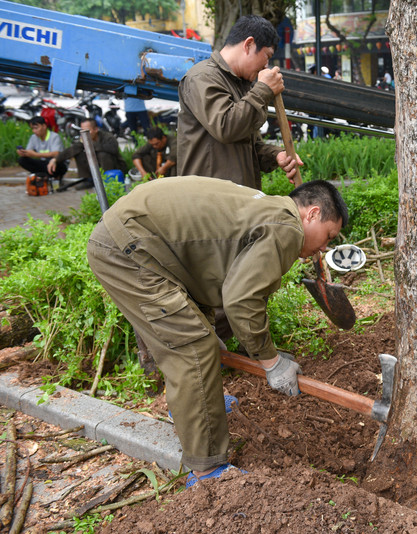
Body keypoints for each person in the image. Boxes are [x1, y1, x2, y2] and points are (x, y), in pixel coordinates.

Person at [86, 177, 348, 487]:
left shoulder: (270, 210)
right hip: (131, 250)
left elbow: (211, 266)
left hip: (143, 243)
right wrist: (271, 361)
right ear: (313, 214)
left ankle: (193, 408)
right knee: (192, 348)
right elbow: (242, 299)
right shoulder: (287, 227)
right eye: (328, 235)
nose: (324, 247)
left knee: (196, 338)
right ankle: (208, 471)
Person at [178, 15, 301, 189]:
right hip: (208, 203)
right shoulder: (202, 77)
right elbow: (226, 127)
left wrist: (276, 155)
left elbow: (248, 144)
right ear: (249, 44)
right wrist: (263, 89)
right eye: (267, 56)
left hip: (237, 200)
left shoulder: (243, 85)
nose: (266, 65)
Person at [47, 118, 127, 191]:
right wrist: (55, 159)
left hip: (115, 169)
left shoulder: (108, 137)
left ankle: (107, 181)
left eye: (87, 130)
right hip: (96, 168)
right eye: (82, 130)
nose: (84, 133)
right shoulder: (84, 139)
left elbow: (113, 149)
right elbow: (72, 149)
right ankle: (89, 180)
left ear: (96, 129)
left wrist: (89, 144)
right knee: (79, 153)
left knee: (103, 154)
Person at [16, 116, 67, 188]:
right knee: (22, 160)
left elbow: (56, 153)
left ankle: (55, 177)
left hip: (55, 163)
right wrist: (23, 153)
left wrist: (35, 154)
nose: (34, 131)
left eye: (36, 128)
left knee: (54, 163)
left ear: (44, 126)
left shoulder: (54, 136)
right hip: (43, 163)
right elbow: (29, 151)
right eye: (32, 129)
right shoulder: (33, 137)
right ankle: (42, 176)